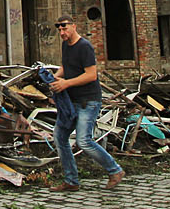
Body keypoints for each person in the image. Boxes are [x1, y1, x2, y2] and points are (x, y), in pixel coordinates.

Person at [48, 15, 125, 191]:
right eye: (59, 29)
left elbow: (91, 75)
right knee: (60, 137)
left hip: (88, 101)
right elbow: (67, 66)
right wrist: (56, 77)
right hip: (71, 101)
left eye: (65, 28)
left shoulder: (85, 47)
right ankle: (71, 181)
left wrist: (65, 83)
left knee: (83, 140)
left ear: (74, 26)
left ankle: (115, 170)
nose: (62, 32)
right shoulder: (65, 46)